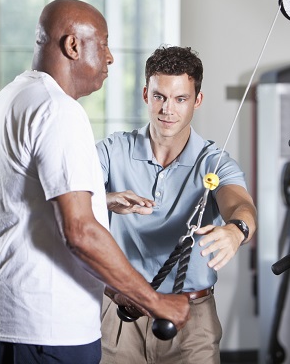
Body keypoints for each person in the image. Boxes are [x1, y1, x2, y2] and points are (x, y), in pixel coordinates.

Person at [0, 0, 190, 364]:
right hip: (53, 329)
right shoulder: (59, 110)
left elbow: (31, 204)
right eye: (104, 43)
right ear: (73, 46)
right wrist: (154, 301)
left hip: (16, 321)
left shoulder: (13, 97)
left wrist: (103, 206)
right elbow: (79, 231)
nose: (110, 58)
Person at [97, 45, 257, 364]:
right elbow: (70, 197)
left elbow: (240, 205)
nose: (168, 110)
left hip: (191, 318)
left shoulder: (213, 160)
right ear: (146, 94)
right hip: (122, 314)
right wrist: (106, 199)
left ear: (197, 100)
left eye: (180, 99)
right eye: (160, 96)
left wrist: (236, 231)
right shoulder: (113, 150)